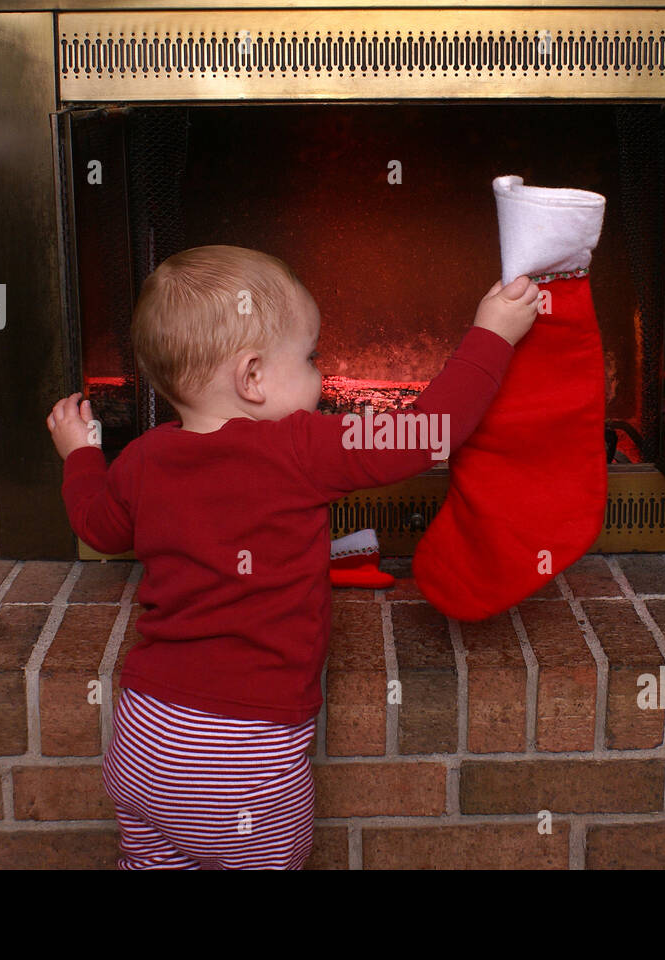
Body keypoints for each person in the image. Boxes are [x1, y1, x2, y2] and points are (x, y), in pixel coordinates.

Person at [45, 244, 538, 869]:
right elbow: (428, 430)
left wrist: (82, 455)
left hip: (142, 741)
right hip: (242, 764)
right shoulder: (298, 447)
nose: (321, 377)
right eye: (309, 358)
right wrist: (492, 334)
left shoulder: (143, 458)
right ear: (252, 378)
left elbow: (99, 526)